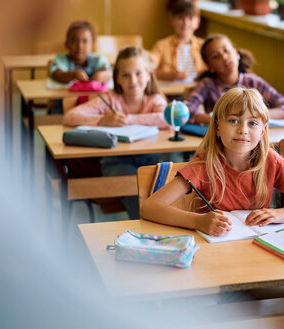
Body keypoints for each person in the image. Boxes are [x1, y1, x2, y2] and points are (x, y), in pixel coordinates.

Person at [142, 87, 284, 235]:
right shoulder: (203, 167)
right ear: (217, 126)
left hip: (258, 249)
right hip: (216, 252)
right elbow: (150, 207)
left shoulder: (270, 161)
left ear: (263, 131)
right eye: (233, 121)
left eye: (252, 123)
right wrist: (198, 221)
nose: (243, 129)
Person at [63, 46, 169, 219]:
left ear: (149, 75)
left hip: (152, 162)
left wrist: (128, 119)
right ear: (117, 79)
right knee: (137, 192)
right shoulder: (110, 100)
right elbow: (70, 116)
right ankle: (146, 234)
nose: (133, 80)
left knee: (166, 191)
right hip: (117, 163)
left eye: (138, 73)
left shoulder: (155, 99)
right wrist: (101, 120)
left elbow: (166, 119)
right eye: (125, 75)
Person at [184, 34, 284, 125]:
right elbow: (185, 111)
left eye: (226, 50)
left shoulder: (254, 82)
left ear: (236, 53)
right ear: (210, 67)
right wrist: (212, 119)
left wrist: (256, 115)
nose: (224, 57)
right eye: (215, 56)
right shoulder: (207, 84)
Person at [149, 0, 206, 82]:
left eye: (190, 18)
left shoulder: (203, 46)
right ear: (172, 19)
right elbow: (149, 68)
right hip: (172, 91)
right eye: (181, 18)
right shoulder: (161, 45)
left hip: (198, 90)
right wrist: (170, 75)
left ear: (197, 22)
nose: (185, 23)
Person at [50, 20, 111, 84]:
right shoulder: (61, 60)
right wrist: (73, 75)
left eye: (85, 41)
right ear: (67, 44)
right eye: (75, 41)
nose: (80, 46)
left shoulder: (98, 60)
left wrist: (100, 76)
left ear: (92, 44)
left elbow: (108, 73)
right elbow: (57, 75)